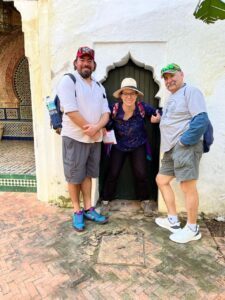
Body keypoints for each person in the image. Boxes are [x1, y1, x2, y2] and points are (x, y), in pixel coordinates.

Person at [57, 46, 110, 231]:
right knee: (74, 176)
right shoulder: (69, 81)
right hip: (74, 138)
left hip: (94, 139)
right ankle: (77, 210)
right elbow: (70, 110)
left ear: (94, 64)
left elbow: (106, 113)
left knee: (87, 175)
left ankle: (88, 208)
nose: (85, 63)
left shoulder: (99, 85)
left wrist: (97, 127)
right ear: (76, 63)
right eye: (82, 60)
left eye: (89, 61)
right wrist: (90, 129)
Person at [155, 63, 209, 243]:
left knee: (187, 186)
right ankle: (173, 221)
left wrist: (184, 141)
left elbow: (201, 119)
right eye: (166, 78)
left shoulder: (190, 92)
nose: (169, 80)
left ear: (181, 75)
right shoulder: (172, 97)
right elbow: (175, 118)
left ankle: (192, 228)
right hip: (171, 148)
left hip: (185, 146)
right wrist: (160, 120)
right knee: (161, 180)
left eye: (172, 76)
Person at [101, 78, 161, 213]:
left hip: (138, 145)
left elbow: (158, 112)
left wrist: (157, 117)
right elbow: (102, 117)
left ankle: (145, 201)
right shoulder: (114, 108)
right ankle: (105, 200)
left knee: (141, 173)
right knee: (113, 172)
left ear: (136, 95)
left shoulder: (142, 108)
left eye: (132, 93)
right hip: (119, 146)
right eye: (125, 93)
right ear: (121, 95)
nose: (129, 96)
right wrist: (102, 126)